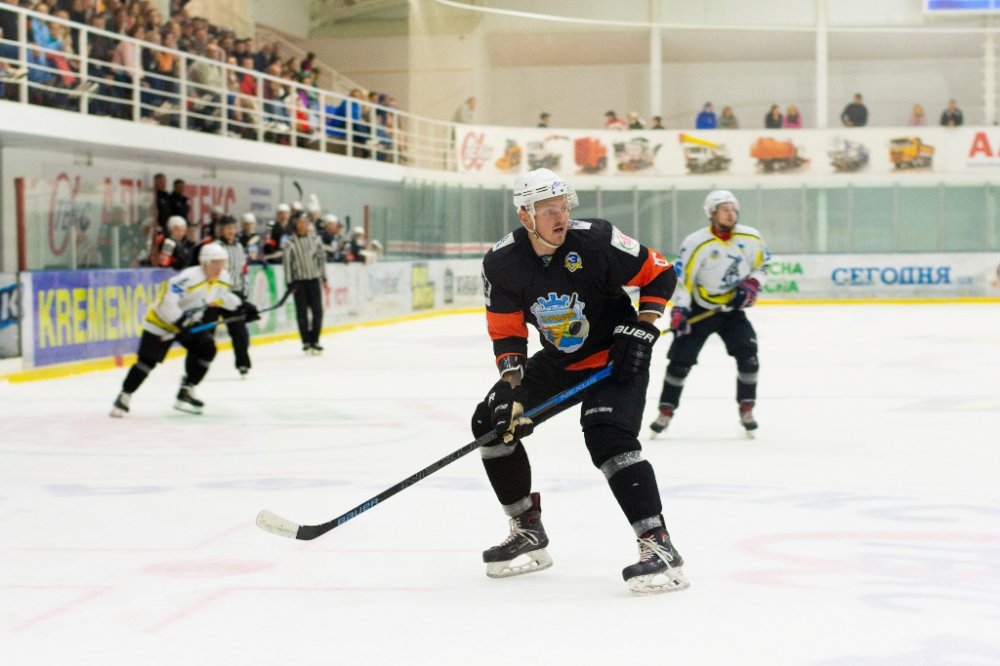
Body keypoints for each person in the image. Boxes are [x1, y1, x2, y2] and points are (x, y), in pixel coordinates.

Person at [472, 167, 688, 595]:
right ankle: (527, 528)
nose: (562, 217)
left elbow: (660, 272)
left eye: (564, 207)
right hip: (560, 362)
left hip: (616, 357)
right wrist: (511, 387)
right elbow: (507, 331)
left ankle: (659, 545)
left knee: (607, 436)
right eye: (549, 210)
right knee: (491, 423)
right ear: (525, 215)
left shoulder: (597, 239)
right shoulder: (502, 262)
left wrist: (644, 326)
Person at [650, 190, 770, 438]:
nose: (730, 214)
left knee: (749, 357)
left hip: (732, 311)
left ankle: (747, 408)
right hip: (699, 309)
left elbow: (763, 266)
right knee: (679, 362)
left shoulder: (751, 237)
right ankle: (666, 410)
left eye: (733, 209)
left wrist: (753, 283)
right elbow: (684, 279)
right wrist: (680, 309)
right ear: (712, 213)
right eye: (724, 209)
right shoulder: (696, 242)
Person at [110, 243, 260, 417]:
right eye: (215, 263)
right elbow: (167, 302)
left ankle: (186, 390)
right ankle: (124, 395)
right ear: (205, 263)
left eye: (222, 263)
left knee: (207, 349)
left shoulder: (222, 277)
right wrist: (182, 323)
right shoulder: (189, 278)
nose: (219, 268)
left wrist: (242, 306)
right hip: (162, 324)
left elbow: (221, 297)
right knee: (147, 362)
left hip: (189, 324)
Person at [214, 216, 253, 377]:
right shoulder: (215, 247)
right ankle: (195, 366)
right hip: (216, 295)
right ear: (221, 230)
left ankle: (243, 364)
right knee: (205, 336)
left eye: (233, 227)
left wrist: (244, 292)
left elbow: (243, 271)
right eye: (227, 228)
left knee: (240, 333)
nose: (231, 231)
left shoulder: (239, 247)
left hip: (234, 295)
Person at [283, 212, 326, 354]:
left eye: (305, 222)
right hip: (299, 283)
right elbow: (287, 265)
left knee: (317, 312)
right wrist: (290, 283)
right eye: (300, 222)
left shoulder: (316, 240)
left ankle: (315, 340)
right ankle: (306, 341)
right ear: (296, 224)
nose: (303, 225)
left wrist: (324, 277)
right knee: (302, 313)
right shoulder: (290, 243)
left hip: (314, 280)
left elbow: (321, 260)